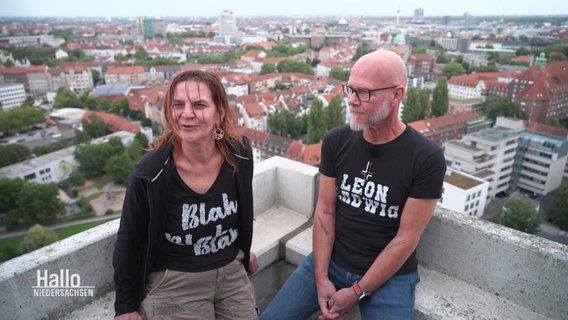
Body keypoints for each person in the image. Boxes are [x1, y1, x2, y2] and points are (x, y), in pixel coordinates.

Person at [260, 49, 446, 320]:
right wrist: (321, 277)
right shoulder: (337, 140)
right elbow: (325, 210)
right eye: (350, 89)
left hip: (389, 277)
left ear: (397, 94)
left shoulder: (426, 158)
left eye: (364, 93)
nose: (352, 100)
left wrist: (357, 291)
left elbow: (406, 238)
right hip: (332, 261)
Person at [113, 70, 259, 320]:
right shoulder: (150, 173)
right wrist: (125, 307)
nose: (186, 114)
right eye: (178, 105)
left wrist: (243, 251)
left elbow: (244, 211)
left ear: (219, 112)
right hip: (176, 280)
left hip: (230, 272)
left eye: (199, 105)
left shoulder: (240, 154)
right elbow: (128, 240)